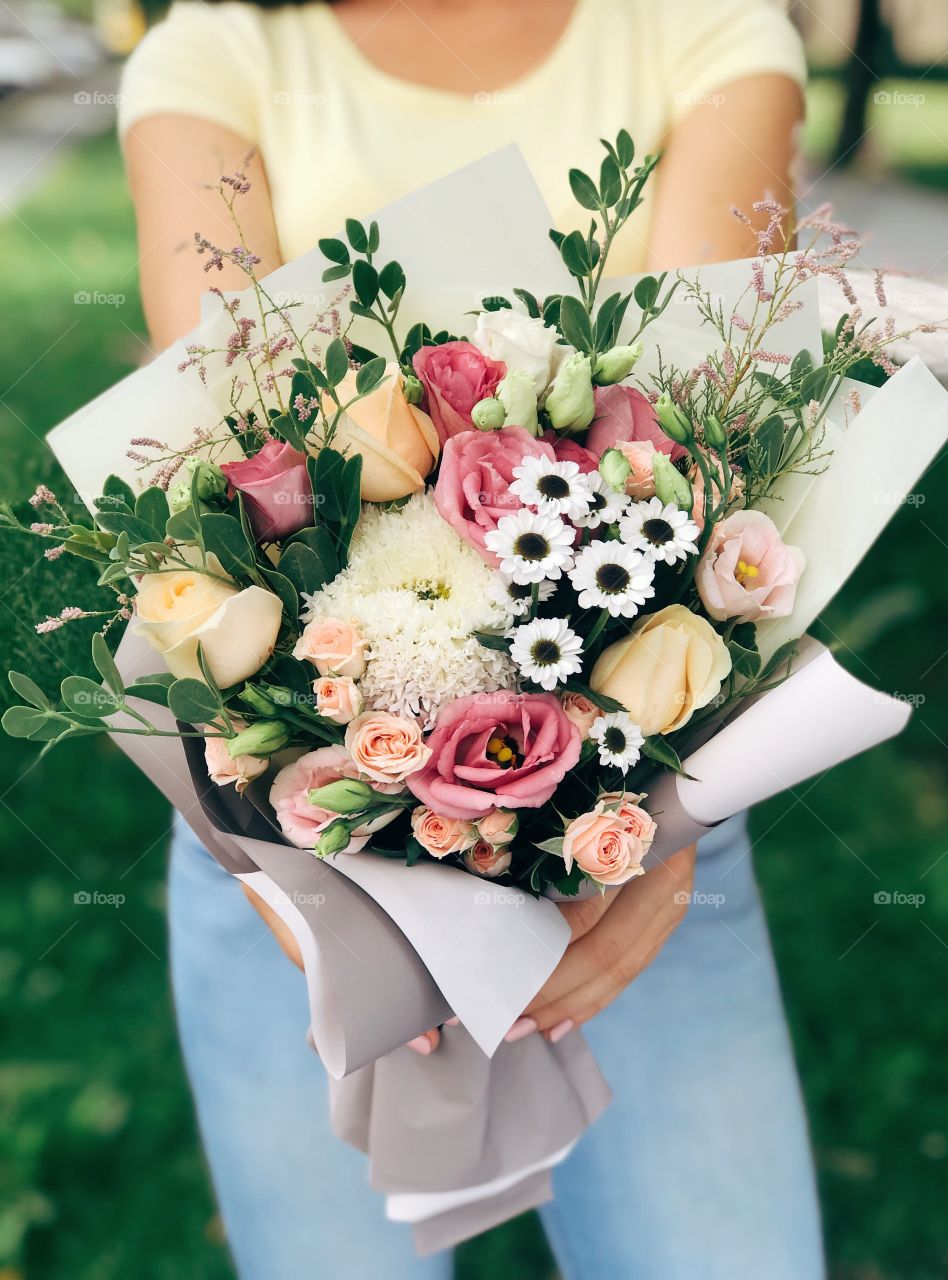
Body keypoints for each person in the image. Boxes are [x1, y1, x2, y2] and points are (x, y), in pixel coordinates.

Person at [119, 1, 823, 1276]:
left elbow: (720, 429)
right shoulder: (216, 54)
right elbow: (221, 463)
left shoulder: (703, 26)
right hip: (292, 839)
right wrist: (303, 869)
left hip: (642, 847)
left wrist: (648, 844)